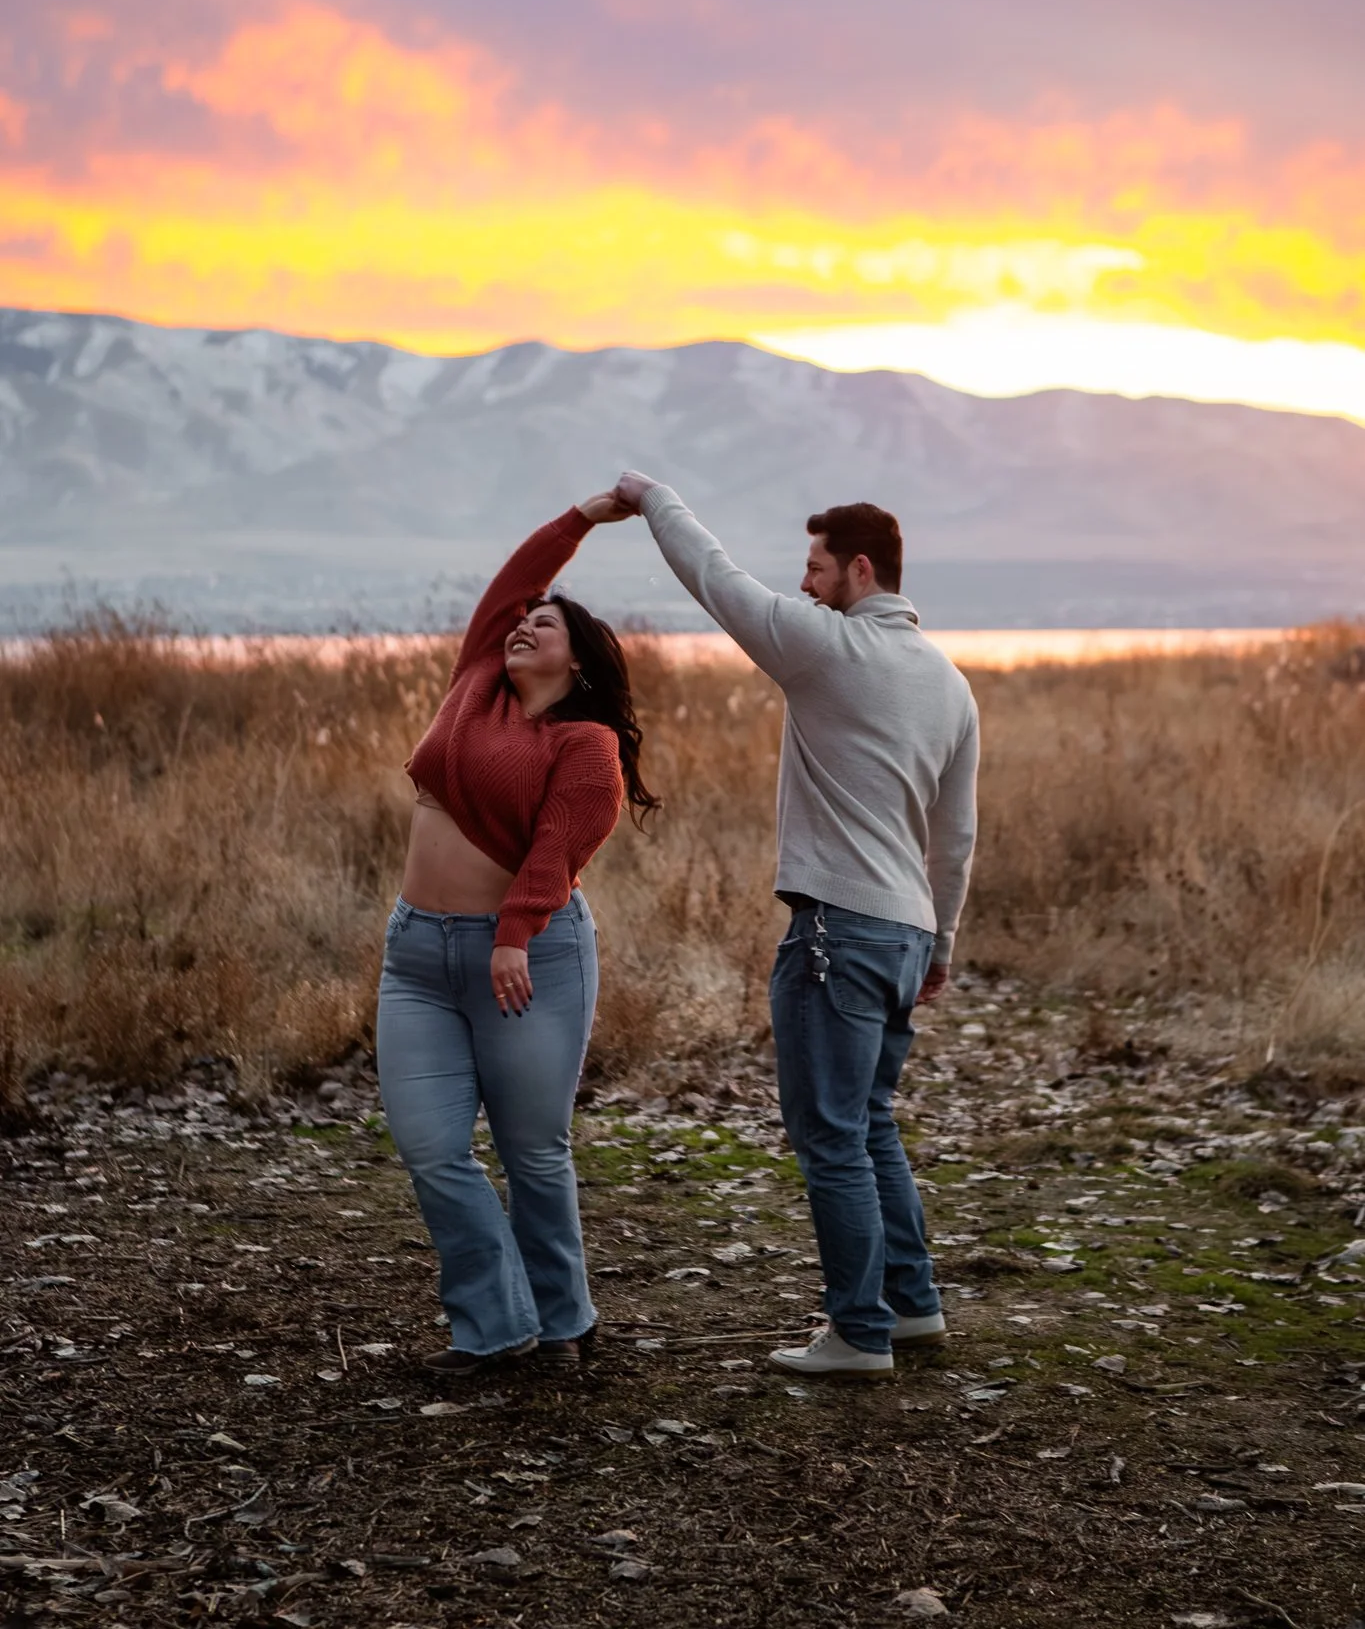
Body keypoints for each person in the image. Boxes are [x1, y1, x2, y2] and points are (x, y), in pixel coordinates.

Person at [614, 474, 978, 1380]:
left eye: (815, 569)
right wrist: (940, 943)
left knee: (829, 1136)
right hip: (901, 933)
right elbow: (957, 833)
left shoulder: (827, 649)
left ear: (859, 569)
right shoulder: (950, 682)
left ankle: (857, 1332)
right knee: (872, 1124)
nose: (804, 585)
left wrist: (651, 496)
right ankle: (911, 1306)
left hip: (837, 933)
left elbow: (714, 576)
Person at [377, 493, 659, 1377]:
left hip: (529, 960)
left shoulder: (584, 741)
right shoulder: (473, 686)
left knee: (534, 1151)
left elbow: (558, 847)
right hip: (417, 955)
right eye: (522, 620)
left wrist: (513, 934)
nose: (524, 625)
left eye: (547, 623)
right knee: (432, 1150)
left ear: (579, 662)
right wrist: (582, 516)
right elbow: (515, 581)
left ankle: (565, 1324)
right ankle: (497, 1326)